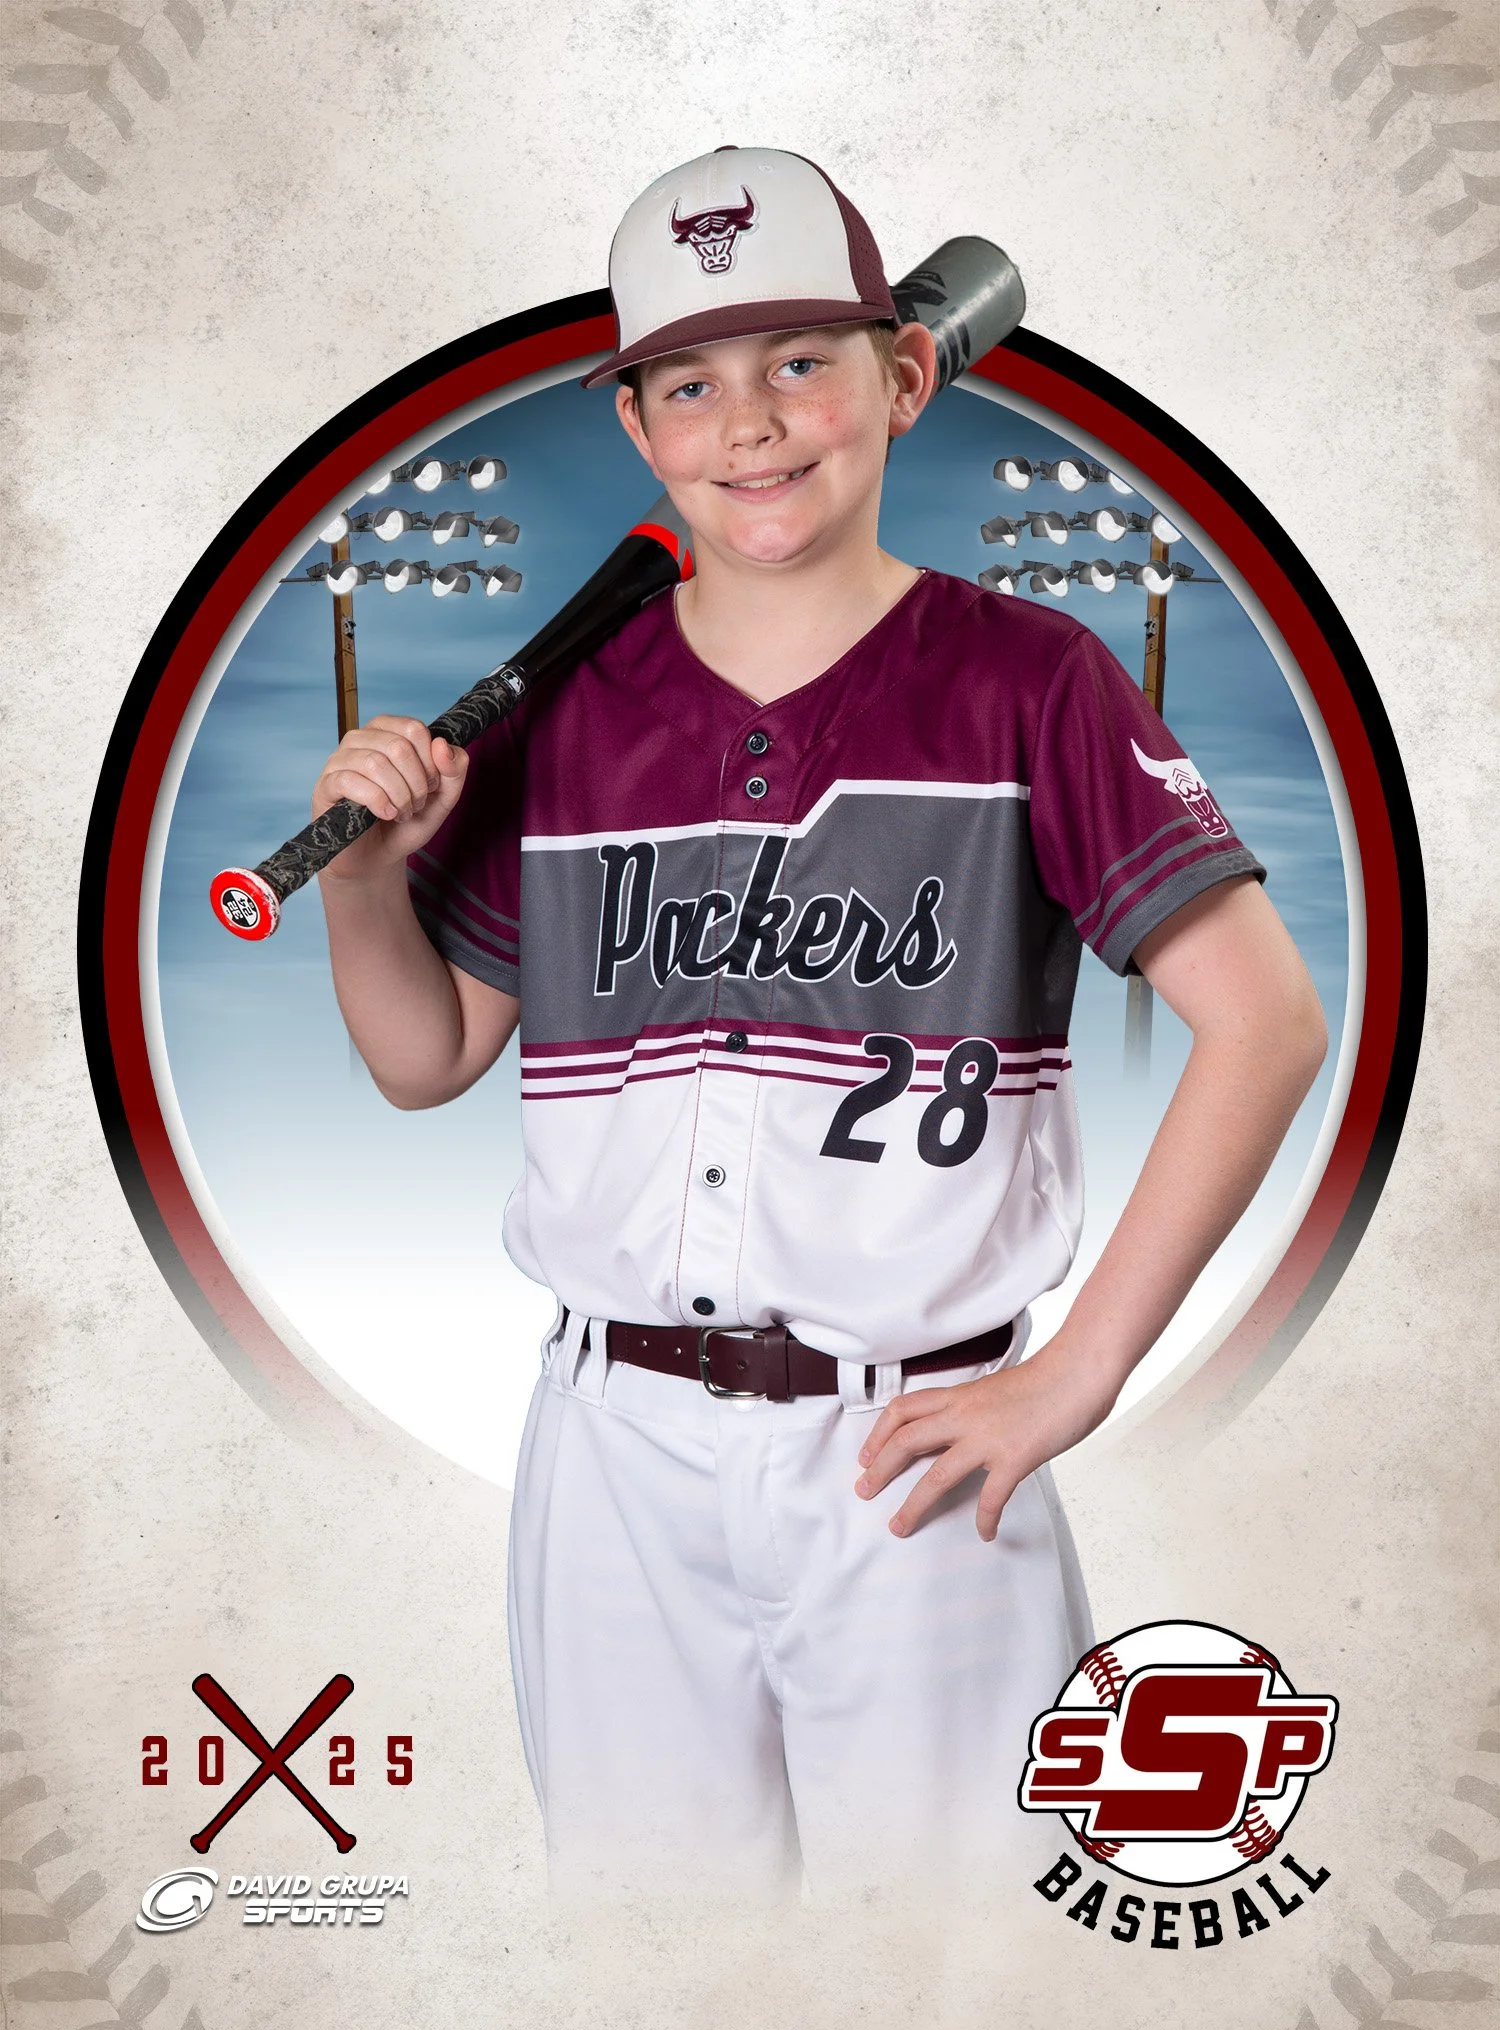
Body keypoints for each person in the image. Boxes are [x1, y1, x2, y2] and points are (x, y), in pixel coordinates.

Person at [311, 146, 1327, 1906]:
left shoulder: (1031, 682)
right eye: (692, 384)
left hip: (913, 1452)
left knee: (956, 1981)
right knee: (655, 1971)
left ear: (906, 374)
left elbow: (1268, 1025)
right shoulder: (569, 712)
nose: (754, 423)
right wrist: (357, 884)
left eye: (801, 361)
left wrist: (1077, 1374)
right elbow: (426, 1059)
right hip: (612, 1448)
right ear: (639, 428)